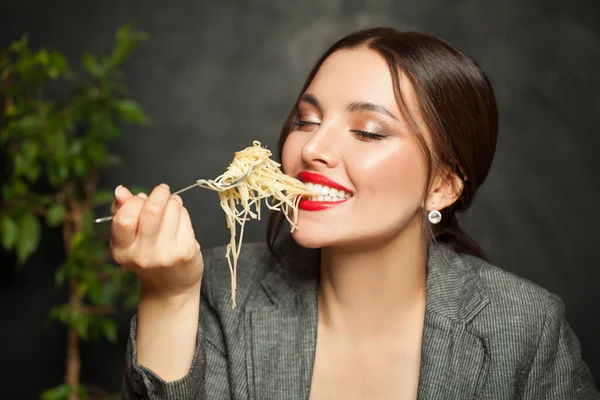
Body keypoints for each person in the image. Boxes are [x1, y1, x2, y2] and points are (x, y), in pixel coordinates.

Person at [111, 27, 599, 399]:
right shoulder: (221, 286)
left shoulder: (526, 327)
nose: (312, 149)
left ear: (443, 185)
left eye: (367, 131)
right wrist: (168, 293)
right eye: (307, 121)